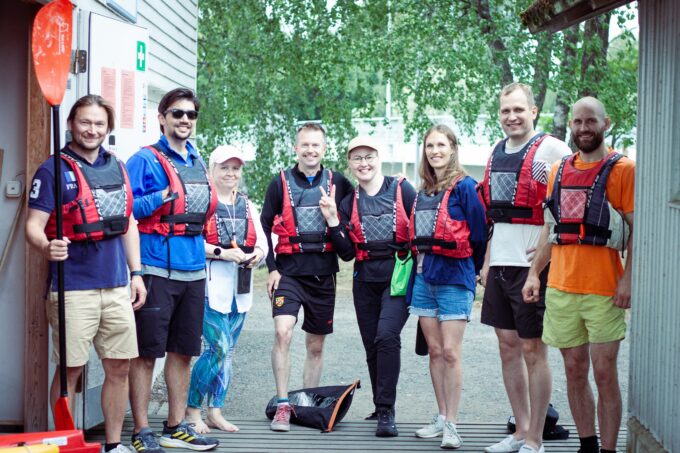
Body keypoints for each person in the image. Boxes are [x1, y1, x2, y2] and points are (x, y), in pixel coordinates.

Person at [25, 94, 145, 453]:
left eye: (99, 123)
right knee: (70, 373)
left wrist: (136, 273)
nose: (92, 130)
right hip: (73, 288)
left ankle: (111, 444)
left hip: (115, 286)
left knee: (119, 367)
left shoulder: (117, 166)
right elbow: (33, 226)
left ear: (107, 128)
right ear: (70, 125)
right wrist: (47, 247)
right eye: (84, 122)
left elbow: (129, 224)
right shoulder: (52, 170)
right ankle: (65, 443)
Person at [522, 97, 634, 453]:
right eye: (578, 122)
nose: (584, 128)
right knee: (573, 370)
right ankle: (587, 445)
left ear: (606, 122)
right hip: (561, 287)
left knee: (604, 372)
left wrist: (628, 280)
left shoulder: (624, 170)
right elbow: (550, 228)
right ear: (570, 125)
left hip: (604, 290)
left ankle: (609, 449)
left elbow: (639, 231)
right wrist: (533, 275)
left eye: (591, 121)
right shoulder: (558, 170)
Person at [478, 82, 571, 453]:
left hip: (532, 266)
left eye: (519, 109)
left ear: (533, 111)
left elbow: (567, 206)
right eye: (505, 111)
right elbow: (494, 218)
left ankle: (536, 439)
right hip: (500, 261)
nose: (512, 117)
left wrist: (544, 256)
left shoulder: (553, 148)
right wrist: (486, 262)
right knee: (506, 346)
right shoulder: (497, 151)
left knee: (533, 350)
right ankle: (520, 429)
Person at [125, 88, 219, 452]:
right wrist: (163, 197)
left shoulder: (196, 159)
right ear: (162, 117)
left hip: (194, 270)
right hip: (155, 269)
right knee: (146, 352)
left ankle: (175, 425)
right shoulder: (144, 160)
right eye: (177, 113)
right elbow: (126, 210)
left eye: (191, 115)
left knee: (183, 351)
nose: (184, 120)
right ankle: (142, 430)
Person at [318, 135, 416, 437]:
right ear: (350, 164)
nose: (364, 163)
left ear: (379, 157)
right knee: (373, 345)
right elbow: (346, 253)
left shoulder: (402, 189)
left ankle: (387, 410)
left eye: (369, 156)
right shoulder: (349, 202)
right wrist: (334, 220)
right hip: (365, 279)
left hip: (398, 275)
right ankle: (379, 404)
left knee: (387, 336)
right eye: (357, 158)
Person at [260, 122, 354, 432]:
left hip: (323, 276)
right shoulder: (279, 183)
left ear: (325, 149)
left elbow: (346, 250)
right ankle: (284, 405)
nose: (310, 150)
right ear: (295, 148)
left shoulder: (339, 183)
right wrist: (272, 268)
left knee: (315, 346)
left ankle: (307, 404)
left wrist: (333, 218)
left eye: (316, 145)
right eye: (305, 145)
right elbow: (264, 228)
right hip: (289, 272)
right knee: (283, 332)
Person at [410, 124, 487, 449]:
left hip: (455, 279)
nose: (435, 151)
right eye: (430, 146)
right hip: (424, 280)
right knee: (436, 352)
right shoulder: (423, 190)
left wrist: (477, 268)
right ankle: (441, 417)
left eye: (441, 145)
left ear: (453, 148)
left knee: (452, 353)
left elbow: (481, 233)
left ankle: (453, 425)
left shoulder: (466, 187)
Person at [185, 145, 267, 433]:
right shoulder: (203, 202)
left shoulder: (246, 204)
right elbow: (192, 242)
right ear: (212, 170)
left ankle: (215, 411)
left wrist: (256, 255)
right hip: (210, 289)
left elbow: (264, 244)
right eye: (224, 167)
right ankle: (192, 410)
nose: (230, 173)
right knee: (217, 348)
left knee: (228, 352)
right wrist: (221, 253)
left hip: (240, 292)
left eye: (235, 168)